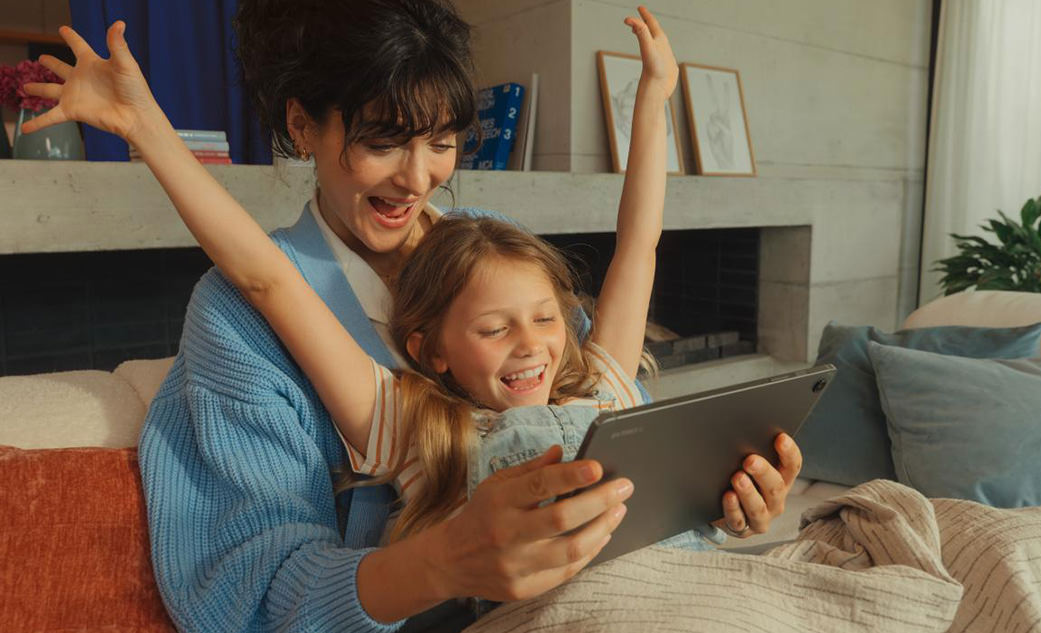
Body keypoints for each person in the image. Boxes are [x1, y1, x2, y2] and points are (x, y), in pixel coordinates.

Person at [22, 2, 803, 631]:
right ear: (303, 127)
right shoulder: (374, 400)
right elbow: (264, 282)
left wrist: (713, 492)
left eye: (441, 142)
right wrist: (443, 562)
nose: (418, 176)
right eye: (384, 140)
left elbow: (631, 269)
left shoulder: (497, 269)